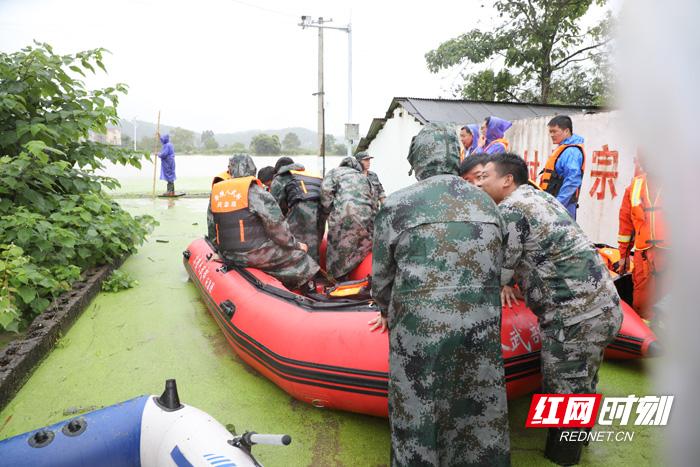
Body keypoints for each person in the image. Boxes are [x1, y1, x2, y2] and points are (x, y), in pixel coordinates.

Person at [369, 123, 510, 467]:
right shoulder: (488, 205)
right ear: (455, 156)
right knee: (479, 413)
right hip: (480, 331)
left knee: (416, 412)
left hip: (420, 336)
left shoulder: (398, 205)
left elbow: (382, 276)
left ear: (417, 160)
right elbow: (498, 262)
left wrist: (385, 308)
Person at [477, 153, 622, 466]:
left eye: (483, 176)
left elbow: (497, 270)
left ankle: (562, 458)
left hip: (575, 317)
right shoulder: (540, 197)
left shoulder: (512, 209)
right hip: (602, 307)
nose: (478, 182)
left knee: (564, 394)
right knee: (583, 384)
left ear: (507, 180)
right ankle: (575, 445)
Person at [208, 154, 319, 291]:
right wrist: (296, 245)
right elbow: (277, 228)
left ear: (230, 171)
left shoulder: (216, 193)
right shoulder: (258, 193)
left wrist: (220, 252)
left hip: (228, 254)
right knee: (302, 258)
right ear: (252, 170)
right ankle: (307, 291)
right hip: (254, 254)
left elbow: (212, 228)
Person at [617, 167, 667, 320]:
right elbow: (626, 225)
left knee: (669, 304)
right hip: (643, 257)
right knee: (641, 303)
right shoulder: (635, 186)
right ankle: (646, 340)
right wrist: (623, 256)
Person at [320, 156, 374, 280]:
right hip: (365, 218)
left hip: (343, 216)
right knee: (361, 249)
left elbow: (326, 192)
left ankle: (336, 279)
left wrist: (327, 210)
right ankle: (358, 278)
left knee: (336, 250)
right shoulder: (363, 177)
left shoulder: (334, 172)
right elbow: (373, 200)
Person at [270, 158, 324, 262]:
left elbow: (274, 208)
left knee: (296, 244)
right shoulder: (310, 175)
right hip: (321, 210)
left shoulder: (280, 179)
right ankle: (315, 272)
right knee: (314, 243)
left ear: (278, 170)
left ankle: (301, 273)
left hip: (300, 209)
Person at [538, 115, 586, 219]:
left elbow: (572, 180)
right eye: (550, 132)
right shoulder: (563, 149)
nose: (551, 135)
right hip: (553, 204)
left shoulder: (571, 152)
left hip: (562, 207)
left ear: (566, 131)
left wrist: (557, 204)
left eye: (554, 131)